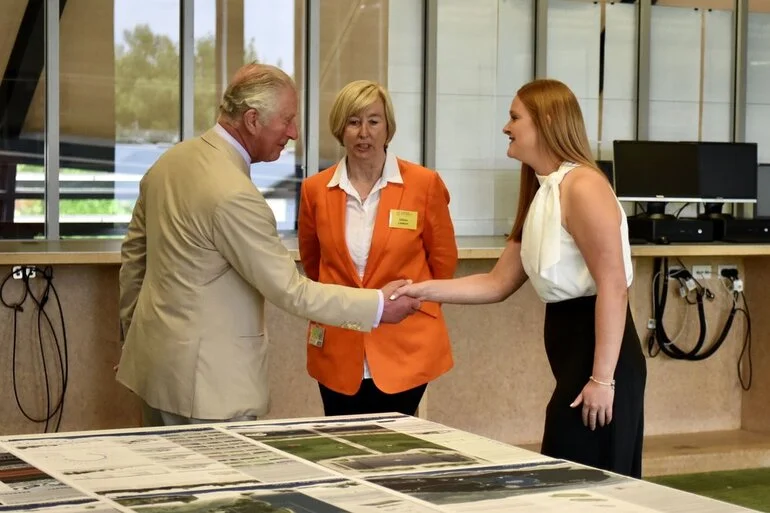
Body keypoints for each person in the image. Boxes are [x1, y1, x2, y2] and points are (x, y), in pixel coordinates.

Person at [116, 63, 420, 427]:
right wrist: (376, 306)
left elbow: (134, 261)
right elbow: (290, 290)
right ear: (252, 120)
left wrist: (132, 337)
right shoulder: (234, 194)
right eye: (287, 120)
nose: (293, 133)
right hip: (210, 390)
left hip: (154, 372)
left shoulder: (168, 163)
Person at [390, 79, 647, 478]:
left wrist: (602, 379)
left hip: (601, 361)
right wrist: (419, 290)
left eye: (514, 117)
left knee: (588, 488)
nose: (505, 127)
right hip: (575, 357)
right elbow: (497, 283)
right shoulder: (542, 191)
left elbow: (614, 285)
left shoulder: (583, 186)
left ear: (545, 121)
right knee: (567, 482)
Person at [298, 80, 458, 416]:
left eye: (373, 121)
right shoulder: (315, 190)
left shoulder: (423, 184)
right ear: (340, 129)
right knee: (341, 446)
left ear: (388, 128)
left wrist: (413, 306)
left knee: (396, 449)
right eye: (353, 122)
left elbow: (443, 262)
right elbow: (314, 265)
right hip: (339, 343)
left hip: (405, 341)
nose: (363, 133)